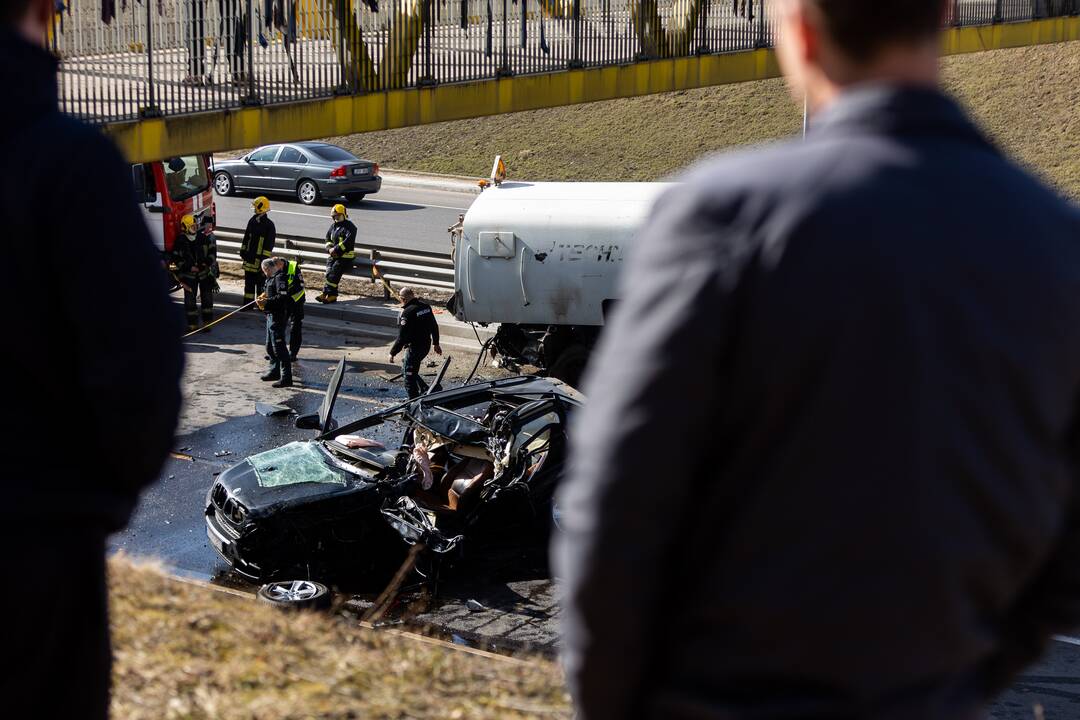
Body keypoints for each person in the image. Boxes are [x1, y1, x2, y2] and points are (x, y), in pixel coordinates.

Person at [553, 0, 1080, 718]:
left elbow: (616, 499)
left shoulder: (725, 212)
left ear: (799, 31)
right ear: (947, 18)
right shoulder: (1056, 238)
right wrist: (963, 682)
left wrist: (617, 701)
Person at [2, 0, 184, 717]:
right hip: (28, 557)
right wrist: (79, 510)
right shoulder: (65, 163)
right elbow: (139, 378)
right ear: (47, 10)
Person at [389, 287, 442, 399]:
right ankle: (424, 389)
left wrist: (393, 352)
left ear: (403, 299)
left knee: (408, 377)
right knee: (407, 369)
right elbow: (434, 326)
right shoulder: (426, 307)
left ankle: (414, 402)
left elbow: (401, 337)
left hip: (415, 348)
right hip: (425, 346)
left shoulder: (407, 312)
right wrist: (436, 343)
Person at [173, 213, 217, 331]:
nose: (195, 228)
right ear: (185, 227)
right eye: (192, 226)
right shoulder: (180, 241)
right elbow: (176, 259)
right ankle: (192, 324)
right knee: (190, 301)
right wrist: (189, 267)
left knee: (207, 299)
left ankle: (207, 323)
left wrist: (206, 264)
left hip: (204, 275)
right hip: (189, 276)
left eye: (195, 226)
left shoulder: (202, 238)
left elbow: (212, 253)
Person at [257, 258, 293, 388]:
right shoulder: (271, 278)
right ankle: (274, 371)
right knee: (269, 346)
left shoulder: (280, 277)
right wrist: (264, 297)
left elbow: (282, 298)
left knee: (279, 348)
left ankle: (286, 377)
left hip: (278, 316)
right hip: (270, 315)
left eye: (264, 271)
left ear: (267, 268)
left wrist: (267, 302)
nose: (264, 273)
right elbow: (271, 293)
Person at [316, 203, 356, 304]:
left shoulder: (350, 227)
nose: (336, 218)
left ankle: (325, 293)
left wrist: (336, 250)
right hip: (333, 255)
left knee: (333, 273)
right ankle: (332, 296)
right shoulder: (333, 226)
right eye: (334, 216)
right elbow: (327, 239)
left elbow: (348, 242)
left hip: (345, 257)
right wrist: (329, 249)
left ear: (343, 215)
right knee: (329, 273)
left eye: (338, 215)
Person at [240, 196, 275, 306]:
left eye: (256, 206)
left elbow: (269, 245)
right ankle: (247, 305)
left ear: (261, 207)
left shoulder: (269, 225)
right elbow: (246, 237)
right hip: (249, 258)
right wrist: (243, 250)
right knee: (248, 284)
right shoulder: (252, 220)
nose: (254, 209)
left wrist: (263, 262)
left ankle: (262, 306)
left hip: (260, 260)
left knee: (261, 285)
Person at [283, 256, 306, 361]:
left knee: (295, 327)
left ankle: (293, 353)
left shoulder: (293, 267)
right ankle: (278, 351)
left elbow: (300, 285)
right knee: (278, 326)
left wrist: (286, 295)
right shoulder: (274, 269)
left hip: (296, 302)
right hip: (284, 302)